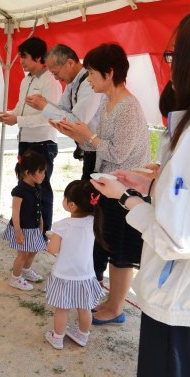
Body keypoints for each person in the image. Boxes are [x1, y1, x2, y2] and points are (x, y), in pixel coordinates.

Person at [91, 2, 190, 377]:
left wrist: (129, 199)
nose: (170, 65)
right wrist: (158, 182)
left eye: (174, 55)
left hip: (186, 311)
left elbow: (178, 239)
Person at [51, 43, 149, 326]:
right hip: (109, 185)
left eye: (92, 73)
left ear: (110, 73)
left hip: (126, 189)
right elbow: (97, 145)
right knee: (109, 244)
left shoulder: (128, 107)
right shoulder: (108, 102)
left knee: (122, 252)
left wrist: (87, 136)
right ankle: (110, 302)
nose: (89, 79)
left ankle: (116, 307)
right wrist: (75, 134)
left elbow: (117, 153)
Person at [0, 37, 62, 232]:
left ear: (37, 57)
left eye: (24, 57)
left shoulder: (50, 81)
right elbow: (20, 107)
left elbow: (49, 117)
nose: (21, 61)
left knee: (41, 188)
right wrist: (10, 115)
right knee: (24, 186)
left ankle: (42, 232)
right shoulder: (26, 80)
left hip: (43, 143)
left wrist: (18, 120)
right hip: (25, 141)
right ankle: (23, 228)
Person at [43, 180, 105, 350]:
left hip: (64, 274)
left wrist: (52, 238)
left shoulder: (62, 225)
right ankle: (83, 336)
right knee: (84, 308)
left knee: (62, 309)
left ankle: (57, 337)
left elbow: (52, 249)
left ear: (71, 205)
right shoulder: (93, 221)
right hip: (85, 275)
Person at [26, 44, 102, 179]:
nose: (56, 78)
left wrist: (44, 107)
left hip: (99, 152)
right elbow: (63, 110)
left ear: (70, 63)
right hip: (90, 150)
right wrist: (45, 103)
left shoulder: (88, 84)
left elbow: (77, 122)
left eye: (56, 73)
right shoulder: (73, 83)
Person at [2, 150, 47, 291]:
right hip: (22, 228)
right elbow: (15, 212)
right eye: (41, 171)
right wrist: (17, 231)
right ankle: (15, 278)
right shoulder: (19, 190)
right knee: (22, 254)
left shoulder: (37, 187)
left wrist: (41, 220)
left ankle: (26, 271)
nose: (44, 175)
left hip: (33, 227)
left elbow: (38, 204)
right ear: (28, 172)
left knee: (33, 250)